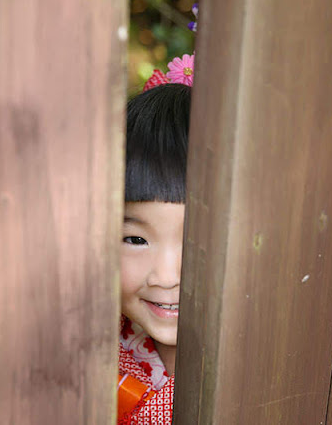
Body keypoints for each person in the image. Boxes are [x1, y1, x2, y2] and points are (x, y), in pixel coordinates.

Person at [117, 79, 191, 424]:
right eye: (135, 239)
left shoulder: (275, 370)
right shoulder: (83, 354)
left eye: (194, 239)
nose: (167, 276)